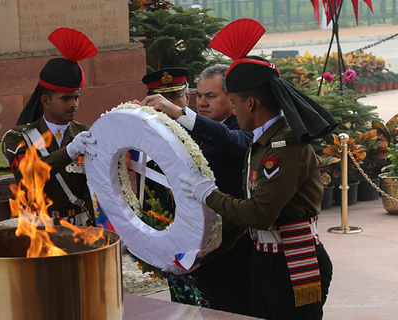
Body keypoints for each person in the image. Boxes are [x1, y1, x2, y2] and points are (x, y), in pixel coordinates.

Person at [177, 18, 336, 319]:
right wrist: (207, 251)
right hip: (267, 261)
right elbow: (248, 220)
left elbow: (259, 214)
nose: (232, 109)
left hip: (296, 263)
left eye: (233, 102)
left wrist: (208, 194)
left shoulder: (285, 146)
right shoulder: (264, 143)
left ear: (250, 103)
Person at [141, 65, 254, 315]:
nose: (202, 103)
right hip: (189, 248)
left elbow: (235, 142)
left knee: (230, 311)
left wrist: (182, 114)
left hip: (230, 249)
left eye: (210, 96)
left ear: (232, 98)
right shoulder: (191, 129)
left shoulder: (240, 127)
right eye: (200, 95)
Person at [1, 27, 97, 227]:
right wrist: (69, 151)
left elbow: (95, 187)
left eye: (76, 97)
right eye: (65, 98)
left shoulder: (84, 133)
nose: (74, 104)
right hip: (39, 231)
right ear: (45, 101)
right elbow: (29, 176)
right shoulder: (19, 137)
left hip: (82, 230)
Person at [136, 67, 191, 215]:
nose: (166, 104)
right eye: (160, 97)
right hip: (157, 218)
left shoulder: (202, 129)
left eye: (174, 96)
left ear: (187, 98)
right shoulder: (143, 131)